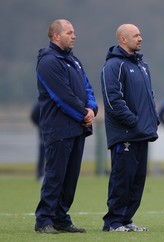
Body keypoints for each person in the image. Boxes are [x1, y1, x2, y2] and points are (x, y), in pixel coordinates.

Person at [35, 19, 98, 234]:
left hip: (77, 127)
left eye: (74, 32)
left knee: (70, 178)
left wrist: (92, 109)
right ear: (56, 36)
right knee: (55, 176)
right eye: (69, 32)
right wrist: (83, 114)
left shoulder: (74, 61)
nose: (74, 36)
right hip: (59, 128)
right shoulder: (49, 62)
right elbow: (62, 96)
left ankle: (61, 218)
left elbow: (87, 88)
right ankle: (44, 220)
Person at [101, 24, 159, 232]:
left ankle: (126, 219)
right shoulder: (114, 66)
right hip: (125, 133)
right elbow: (113, 100)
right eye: (136, 35)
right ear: (123, 39)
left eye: (140, 34)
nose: (140, 38)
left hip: (142, 133)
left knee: (137, 180)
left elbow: (149, 96)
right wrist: (133, 121)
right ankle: (113, 222)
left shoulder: (143, 66)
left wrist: (153, 120)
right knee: (122, 178)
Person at [30, 102, 45, 181]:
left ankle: (44, 174)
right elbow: (33, 116)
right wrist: (40, 124)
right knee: (43, 155)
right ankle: (40, 174)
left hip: (48, 132)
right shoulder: (40, 104)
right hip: (44, 133)